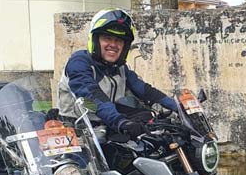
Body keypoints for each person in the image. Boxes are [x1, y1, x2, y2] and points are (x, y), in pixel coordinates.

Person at [57, 8, 180, 139]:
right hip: (77, 135)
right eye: (107, 38)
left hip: (108, 129)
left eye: (119, 40)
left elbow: (144, 89)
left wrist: (178, 107)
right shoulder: (79, 63)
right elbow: (93, 95)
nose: (113, 45)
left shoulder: (119, 68)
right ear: (95, 40)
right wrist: (120, 122)